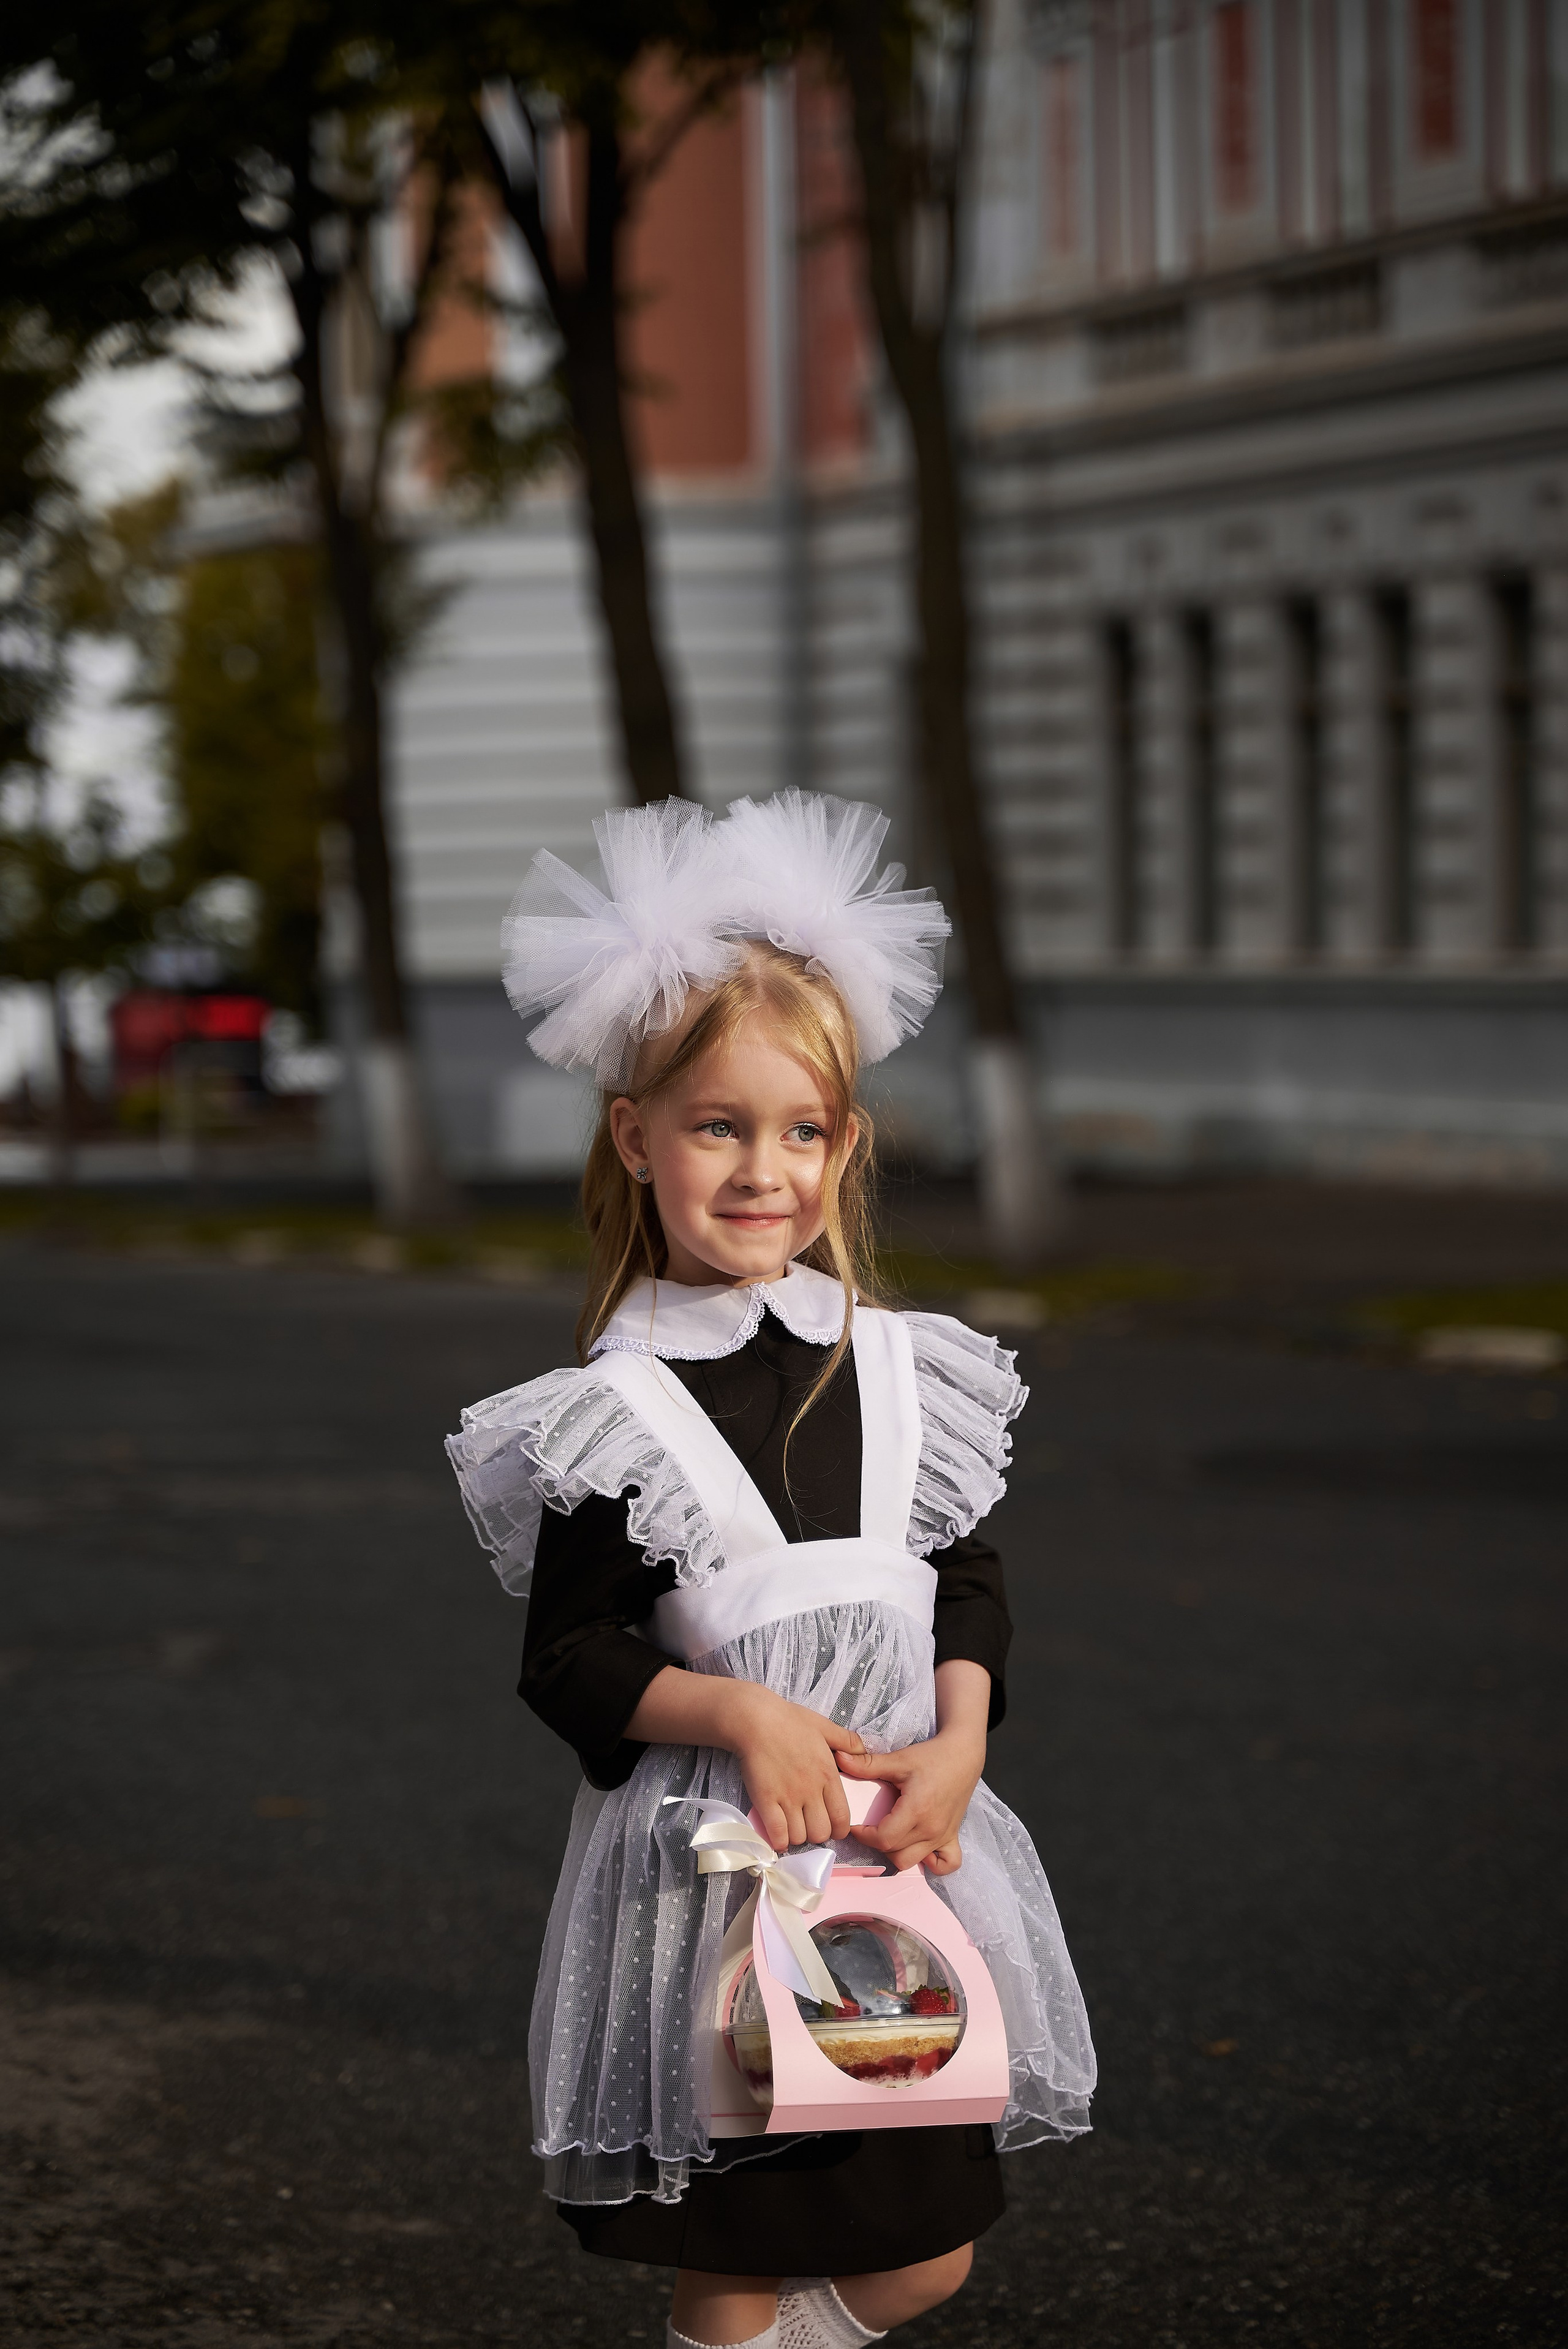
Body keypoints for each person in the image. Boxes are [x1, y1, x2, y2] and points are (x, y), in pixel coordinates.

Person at [448, 794, 1095, 2349]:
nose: (762, 1171)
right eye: (718, 1126)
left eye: (800, 1130)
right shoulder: (618, 1415)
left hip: (897, 1872)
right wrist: (740, 1718)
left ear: (845, 1144)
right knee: (737, 2252)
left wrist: (961, 1739)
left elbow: (965, 1578)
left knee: (920, 2247)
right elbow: (571, 1658)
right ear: (635, 1135)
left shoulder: (897, 1370)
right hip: (714, 1884)